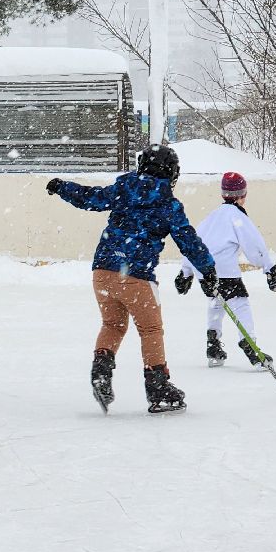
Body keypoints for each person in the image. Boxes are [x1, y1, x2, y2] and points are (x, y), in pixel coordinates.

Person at [47, 144, 217, 414]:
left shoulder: (122, 189)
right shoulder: (168, 204)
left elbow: (90, 198)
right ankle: (158, 388)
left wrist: (62, 187)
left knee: (113, 324)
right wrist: (207, 270)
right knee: (150, 330)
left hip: (102, 272)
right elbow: (189, 241)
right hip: (135, 276)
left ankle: (101, 371)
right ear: (171, 172)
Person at [175, 170, 276, 369]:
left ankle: (213, 345)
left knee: (217, 300)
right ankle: (251, 347)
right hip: (224, 270)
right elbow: (254, 245)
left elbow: (194, 242)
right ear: (243, 195)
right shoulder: (237, 217)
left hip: (204, 271)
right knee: (240, 304)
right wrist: (269, 268)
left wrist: (186, 272)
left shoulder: (211, 217)